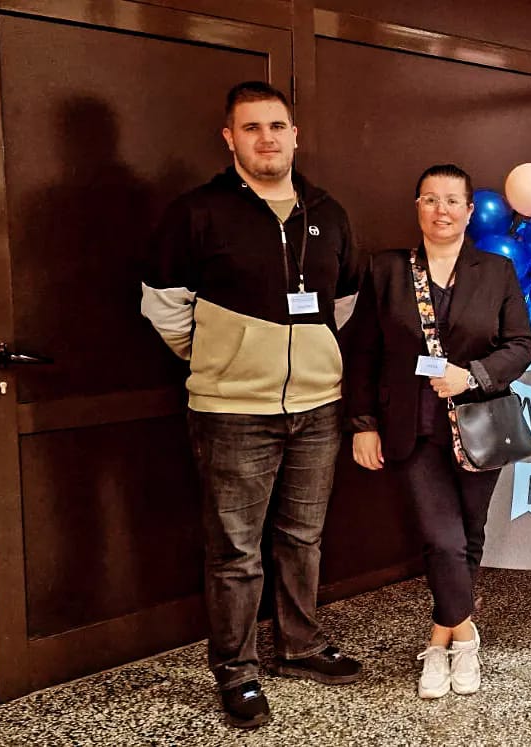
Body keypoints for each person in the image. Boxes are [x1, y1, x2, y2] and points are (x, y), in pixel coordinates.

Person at [140, 81, 364, 729]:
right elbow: (164, 306)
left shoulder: (329, 212)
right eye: (251, 127)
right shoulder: (198, 212)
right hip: (232, 410)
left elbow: (344, 303)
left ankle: (299, 644)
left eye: (276, 126)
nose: (267, 138)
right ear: (229, 138)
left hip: (318, 407)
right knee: (235, 552)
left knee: (303, 538)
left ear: (295, 135)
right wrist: (227, 355)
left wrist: (310, 358)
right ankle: (236, 671)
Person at [343, 164, 531, 699]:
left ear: (470, 211)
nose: (441, 210)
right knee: (441, 538)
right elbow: (363, 352)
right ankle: (463, 637)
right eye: (430, 199)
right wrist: (363, 423)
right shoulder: (385, 270)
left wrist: (472, 375)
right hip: (413, 428)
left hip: (479, 427)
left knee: (468, 536)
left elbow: (521, 345)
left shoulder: (496, 271)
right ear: (418, 208)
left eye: (452, 201)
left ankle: (440, 637)